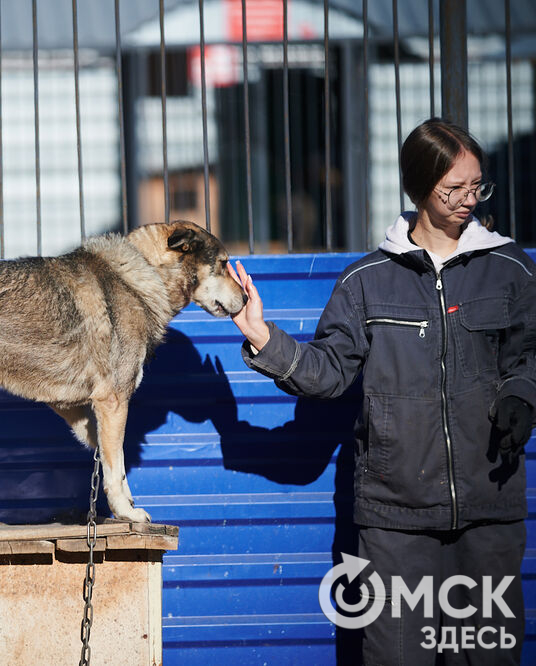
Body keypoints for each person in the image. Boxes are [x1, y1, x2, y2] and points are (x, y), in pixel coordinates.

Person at [228, 118, 535, 665]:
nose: (469, 199)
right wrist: (262, 337)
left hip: (488, 514)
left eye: (477, 186)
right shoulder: (365, 282)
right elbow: (326, 372)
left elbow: (527, 354)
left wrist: (521, 393)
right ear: (419, 187)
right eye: (454, 189)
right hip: (396, 523)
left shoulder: (509, 269)